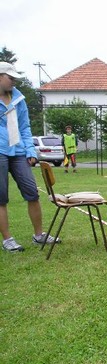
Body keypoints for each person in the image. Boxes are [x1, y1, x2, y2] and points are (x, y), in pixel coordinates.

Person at [0, 62, 59, 252]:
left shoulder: (18, 98)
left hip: (18, 153)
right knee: (1, 199)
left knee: (32, 193)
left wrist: (31, 151)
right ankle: (8, 240)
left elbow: (25, 128)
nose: (14, 81)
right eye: (11, 78)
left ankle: (39, 235)